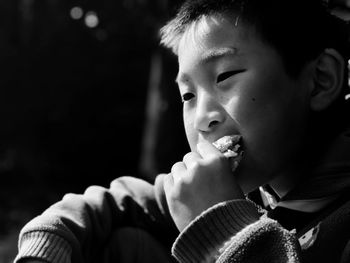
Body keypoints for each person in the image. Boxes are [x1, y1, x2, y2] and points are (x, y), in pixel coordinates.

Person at [15, 0, 350, 262]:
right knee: (121, 243)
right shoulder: (247, 189)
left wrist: (223, 225)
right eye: (188, 95)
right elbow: (108, 203)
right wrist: (42, 251)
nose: (202, 117)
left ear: (320, 79)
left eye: (224, 76)